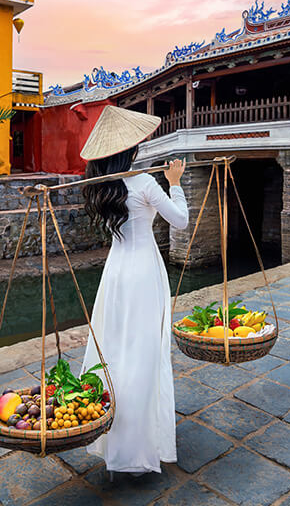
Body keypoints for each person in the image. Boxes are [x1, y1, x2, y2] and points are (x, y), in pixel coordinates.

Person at [78, 105, 188, 474]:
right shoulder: (143, 183)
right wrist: (175, 183)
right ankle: (136, 448)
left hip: (116, 271)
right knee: (142, 354)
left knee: (115, 349)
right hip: (143, 271)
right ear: (131, 148)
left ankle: (113, 438)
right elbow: (181, 222)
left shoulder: (101, 185)